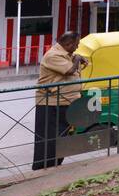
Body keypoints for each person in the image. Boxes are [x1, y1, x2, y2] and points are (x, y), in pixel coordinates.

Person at [33, 31, 87, 171]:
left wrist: (77, 57)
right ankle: (42, 170)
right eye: (76, 44)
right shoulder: (53, 56)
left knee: (62, 137)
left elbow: (71, 60)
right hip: (50, 104)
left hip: (65, 102)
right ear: (68, 44)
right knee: (49, 140)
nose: (77, 47)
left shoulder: (66, 54)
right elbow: (69, 70)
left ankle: (55, 165)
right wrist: (77, 59)